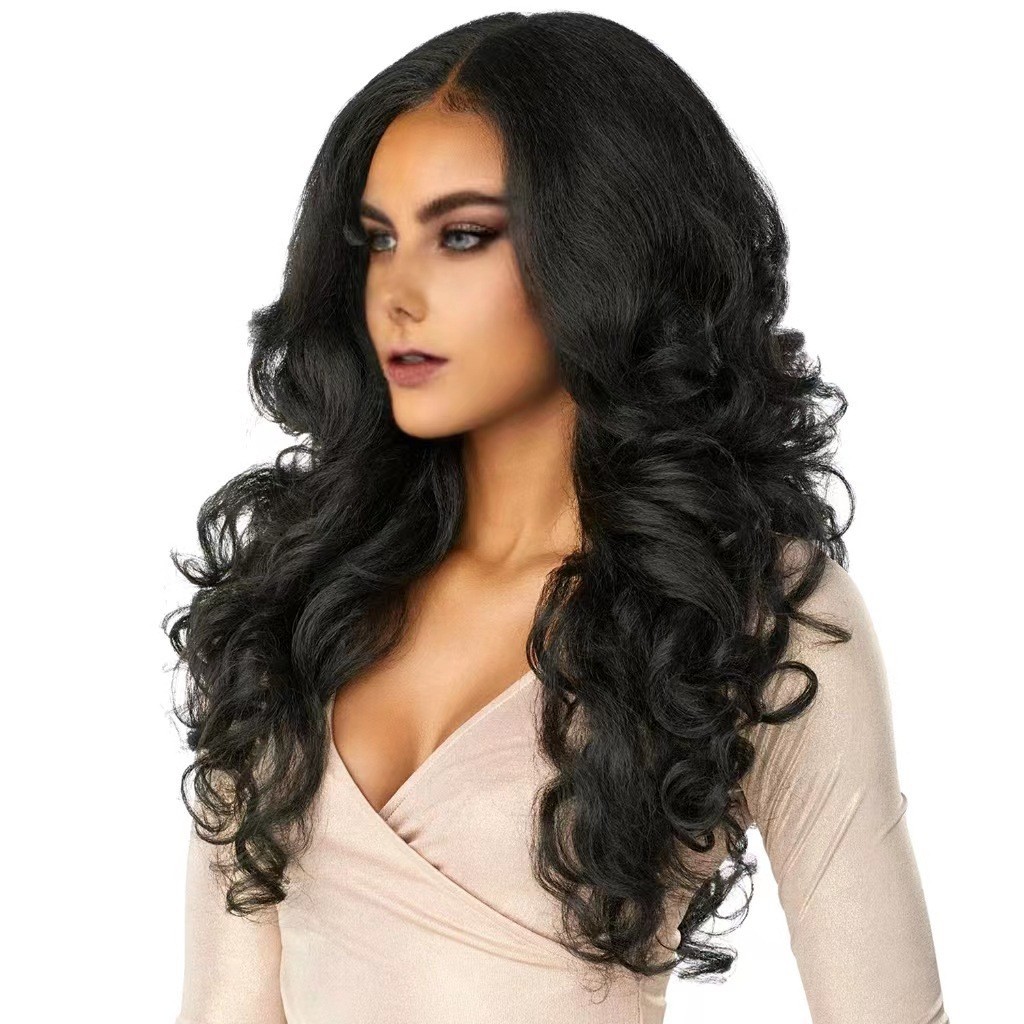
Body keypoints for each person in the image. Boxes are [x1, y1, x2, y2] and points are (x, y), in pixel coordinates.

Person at [168, 11, 950, 1023]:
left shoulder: (750, 615)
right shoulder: (300, 587)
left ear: (602, 252)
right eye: (378, 240)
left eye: (461, 236)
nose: (396, 293)